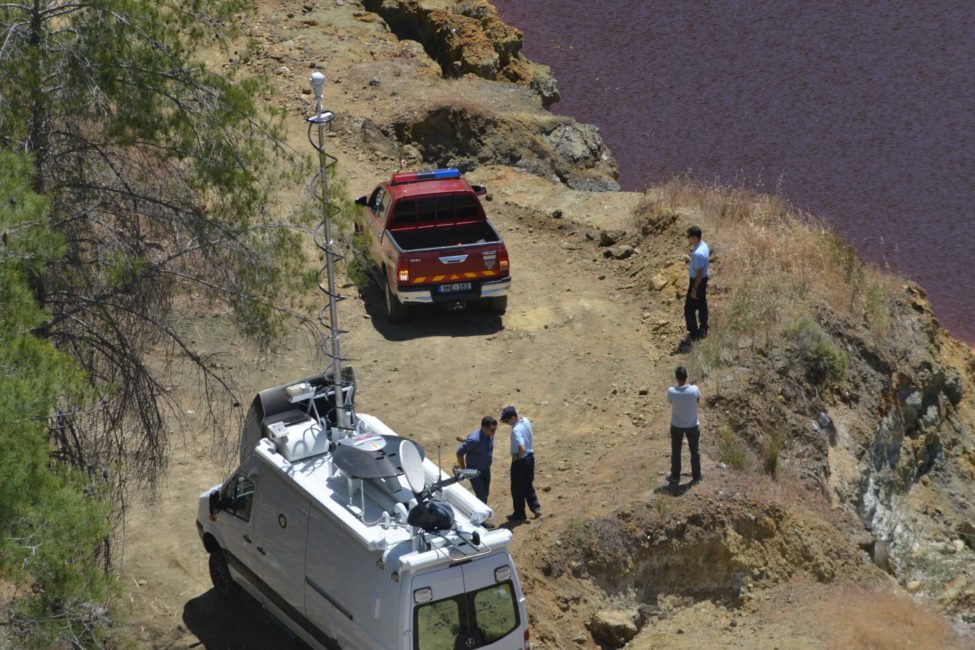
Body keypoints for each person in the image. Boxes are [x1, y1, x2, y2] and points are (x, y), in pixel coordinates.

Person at [500, 406, 540, 521]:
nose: (507, 423)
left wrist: (516, 457)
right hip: (530, 458)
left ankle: (519, 514)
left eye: (507, 420)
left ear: (513, 417)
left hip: (520, 462)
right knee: (528, 484)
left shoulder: (516, 430)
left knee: (517, 489)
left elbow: (521, 448)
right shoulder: (525, 420)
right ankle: (536, 508)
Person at [667, 366, 702, 493]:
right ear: (686, 376)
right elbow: (698, 400)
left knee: (676, 451)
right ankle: (696, 476)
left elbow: (671, 402)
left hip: (676, 425)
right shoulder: (694, 389)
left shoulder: (671, 391)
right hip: (692, 425)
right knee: (694, 450)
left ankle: (675, 477)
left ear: (676, 378)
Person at [455, 416, 497, 504]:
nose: (493, 433)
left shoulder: (489, 435)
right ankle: (482, 515)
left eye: (495, 430)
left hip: (486, 469)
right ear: (484, 428)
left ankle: (483, 511)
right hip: (474, 471)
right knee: (481, 495)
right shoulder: (474, 440)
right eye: (492, 430)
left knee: (485, 493)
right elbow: (459, 453)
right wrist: (464, 469)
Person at [684, 225, 710, 341]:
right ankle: (704, 328)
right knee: (701, 304)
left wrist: (694, 289)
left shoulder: (698, 253)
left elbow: (699, 273)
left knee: (689, 309)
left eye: (688, 236)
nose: (687, 238)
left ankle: (694, 334)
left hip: (697, 282)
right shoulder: (703, 245)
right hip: (703, 280)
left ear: (695, 237)